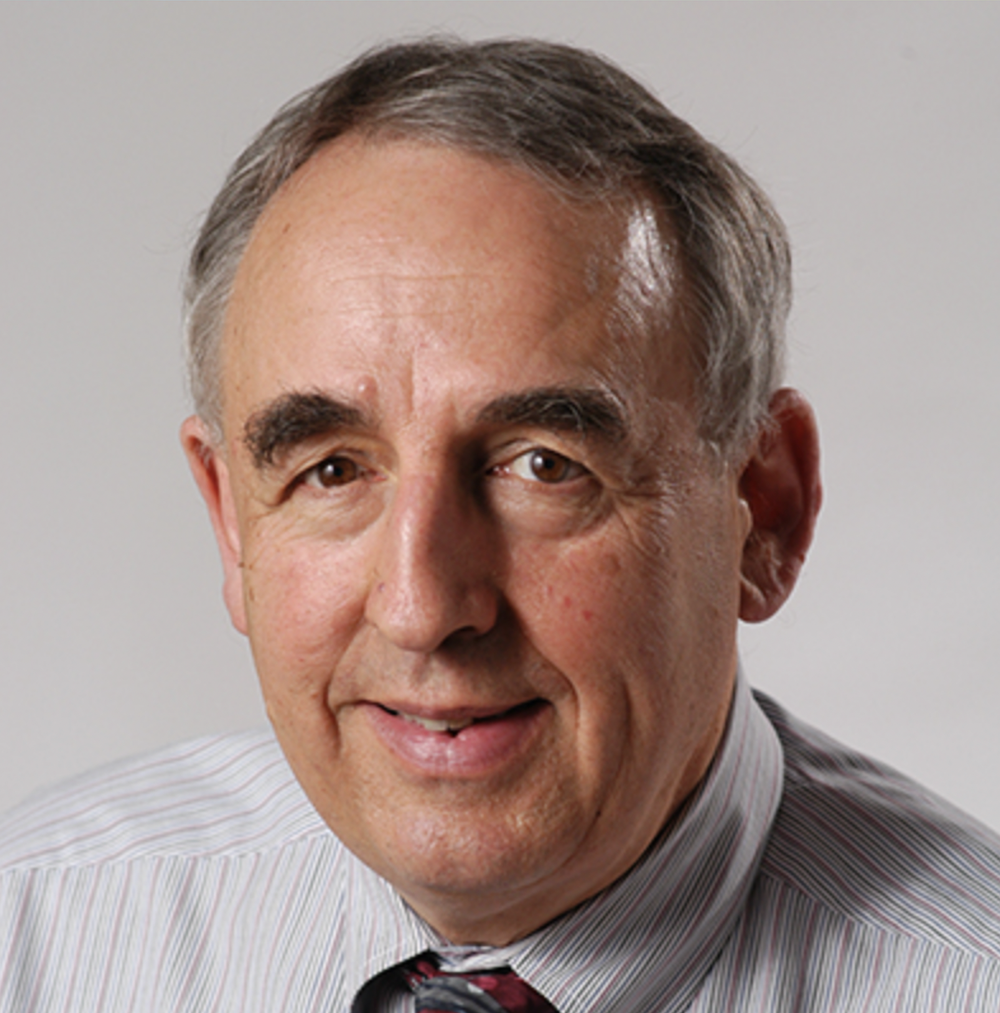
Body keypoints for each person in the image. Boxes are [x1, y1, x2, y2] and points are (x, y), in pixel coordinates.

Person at [1, 37, 998, 1013]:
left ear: (761, 511)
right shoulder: (33, 935)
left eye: (543, 465)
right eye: (332, 469)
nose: (421, 605)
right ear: (230, 524)